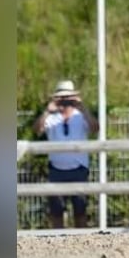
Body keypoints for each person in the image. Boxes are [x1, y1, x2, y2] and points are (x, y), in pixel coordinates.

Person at [33, 79, 98, 228]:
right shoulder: (51, 117)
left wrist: (82, 108)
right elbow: (37, 130)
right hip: (56, 170)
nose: (65, 101)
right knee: (56, 213)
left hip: (78, 169)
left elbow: (95, 128)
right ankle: (57, 243)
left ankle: (81, 242)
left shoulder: (80, 116)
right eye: (62, 98)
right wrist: (47, 111)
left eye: (68, 98)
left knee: (80, 212)